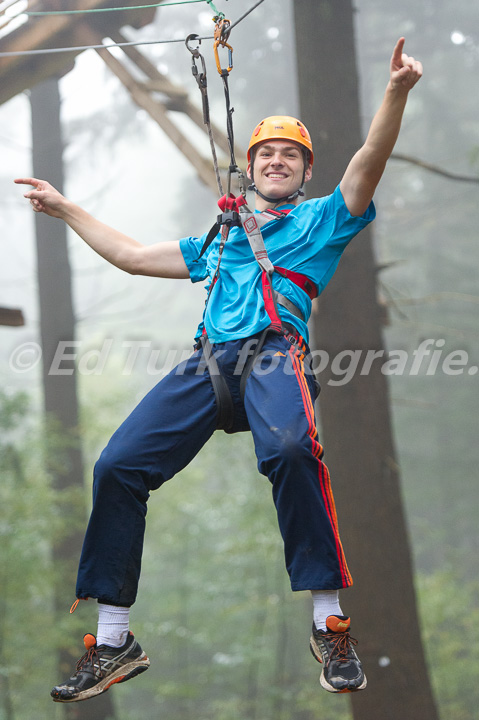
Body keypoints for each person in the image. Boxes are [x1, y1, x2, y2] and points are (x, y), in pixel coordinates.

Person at [16, 37, 422, 702]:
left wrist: (395, 91)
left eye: (289, 155)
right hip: (206, 363)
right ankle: (114, 641)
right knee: (117, 466)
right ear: (252, 168)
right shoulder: (219, 238)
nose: (276, 161)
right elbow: (129, 254)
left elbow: (366, 165)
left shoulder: (323, 221)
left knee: (293, 448)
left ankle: (329, 622)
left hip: (273, 355)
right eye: (266, 154)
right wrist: (66, 209)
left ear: (303, 172)